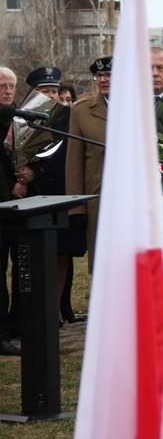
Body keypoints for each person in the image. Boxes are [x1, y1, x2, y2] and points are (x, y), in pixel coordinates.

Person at [19, 66, 86, 326]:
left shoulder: (66, 118)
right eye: (45, 91)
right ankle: (31, 312)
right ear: (34, 93)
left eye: (55, 91)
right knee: (32, 256)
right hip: (31, 196)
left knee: (61, 252)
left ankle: (56, 308)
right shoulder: (21, 118)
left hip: (61, 191)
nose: (52, 96)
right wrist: (27, 171)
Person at [66, 56, 111, 273]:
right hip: (97, 200)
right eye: (99, 75)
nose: (103, 80)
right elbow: (74, 163)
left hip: (135, 200)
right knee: (103, 265)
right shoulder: (81, 111)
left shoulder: (140, 106)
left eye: (109, 75)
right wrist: (76, 209)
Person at [0, 67, 21, 355]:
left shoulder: (19, 119)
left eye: (11, 85)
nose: (7, 90)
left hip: (14, 207)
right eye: (2, 85)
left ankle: (12, 327)